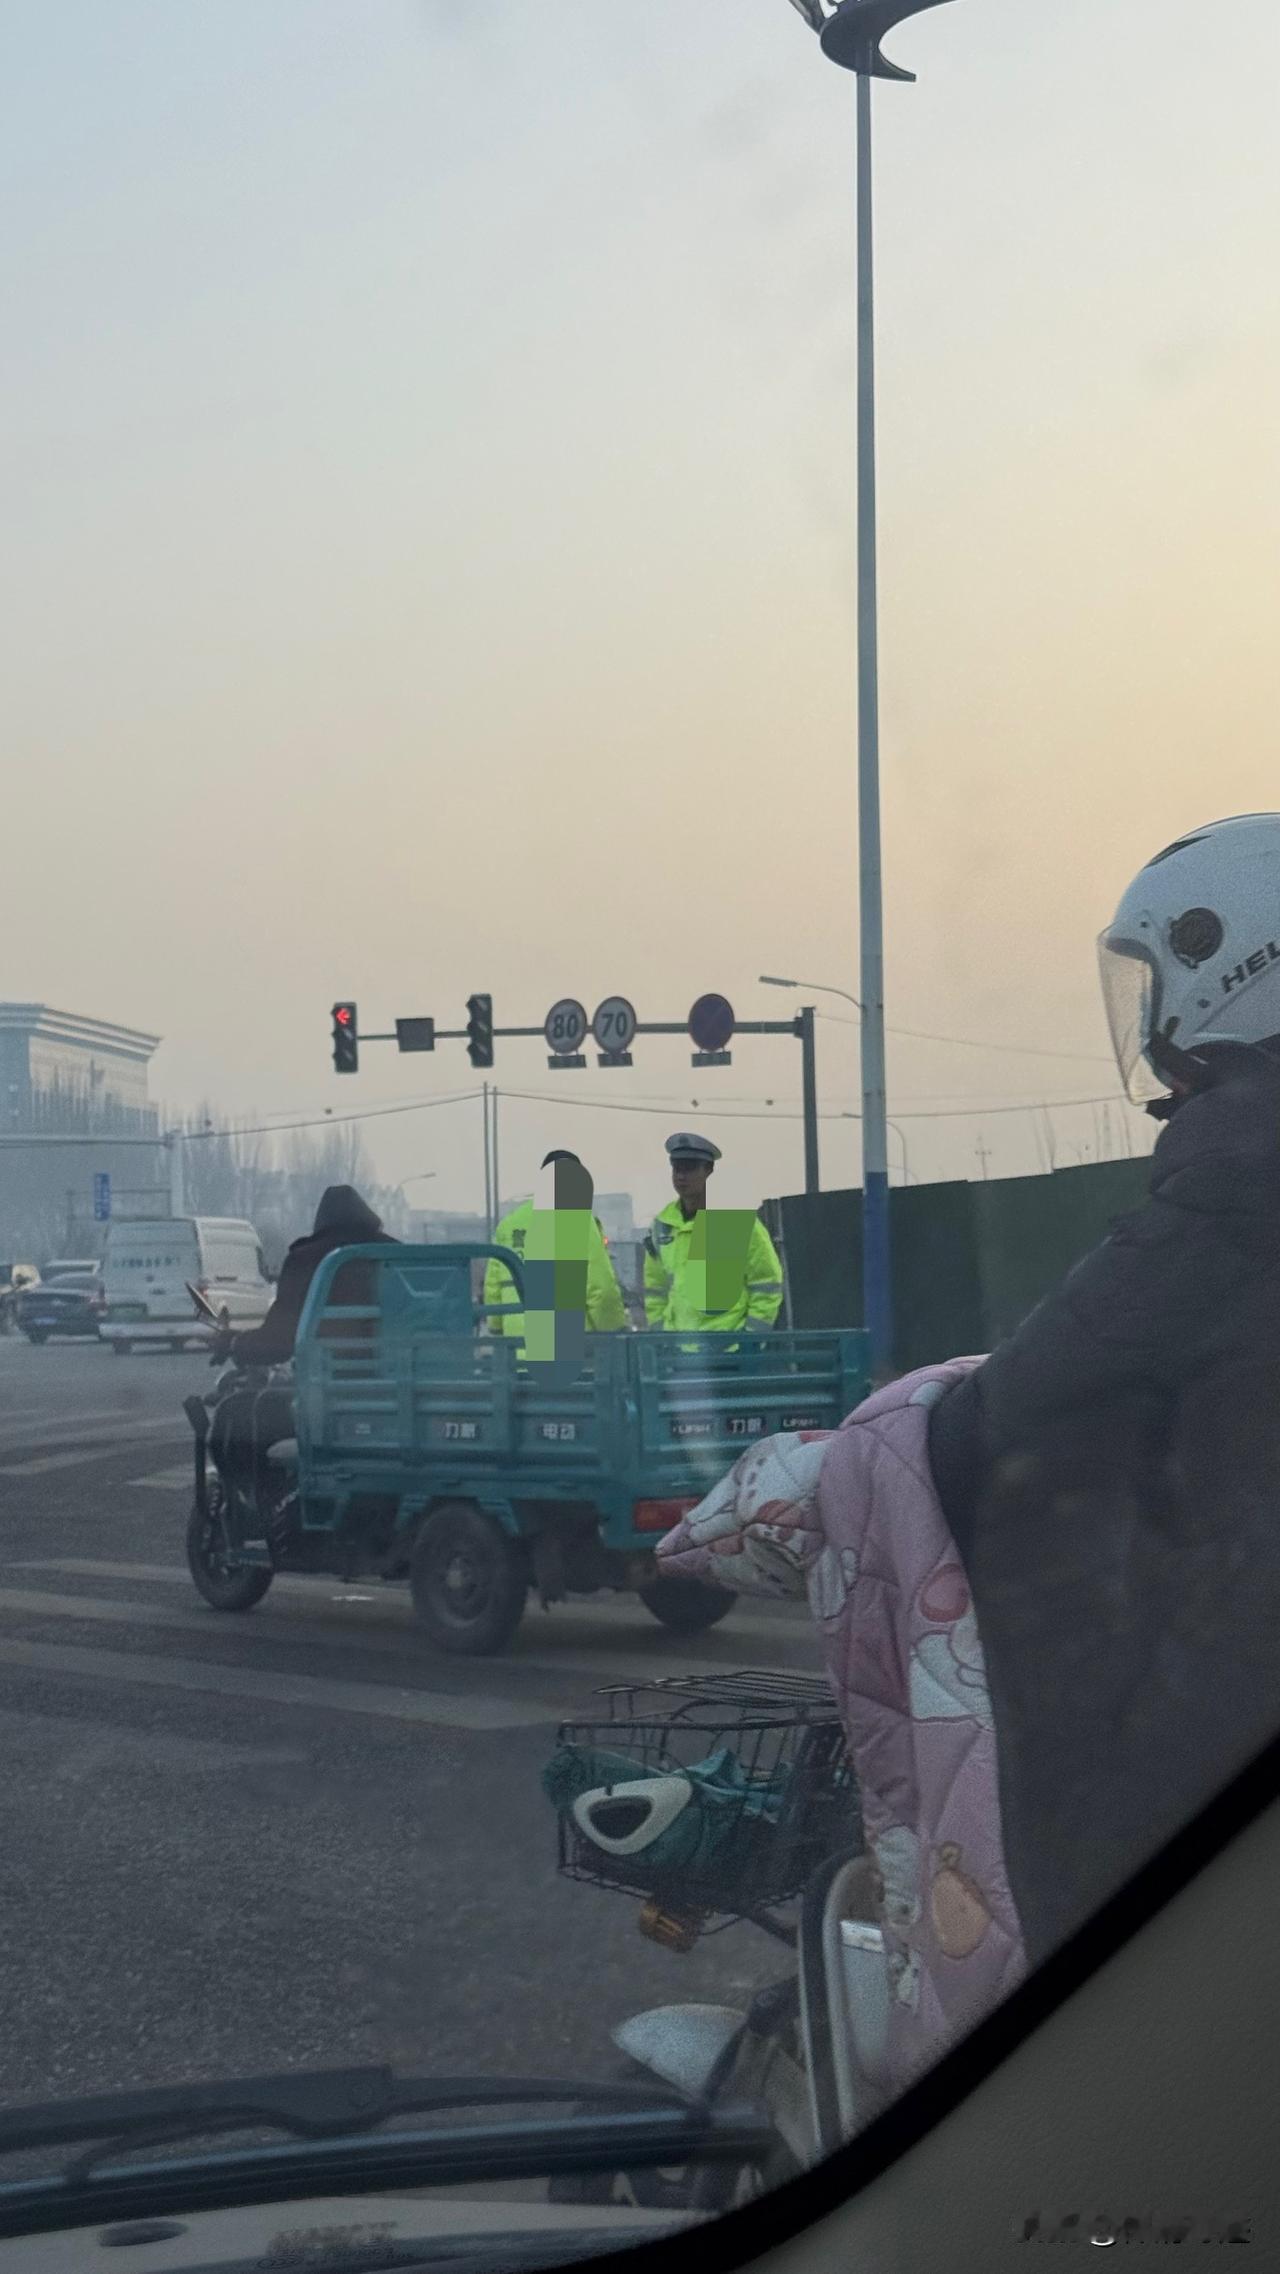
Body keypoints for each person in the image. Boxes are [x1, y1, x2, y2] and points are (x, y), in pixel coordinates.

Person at [658, 815, 1280, 2099]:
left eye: (1152, 980)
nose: (1149, 1026)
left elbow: (1014, 1419)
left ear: (1228, 971)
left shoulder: (1236, 1178)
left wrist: (842, 1472)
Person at [211, 1186, 395, 1510]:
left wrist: (237, 1344)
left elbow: (280, 1340)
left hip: (333, 1398)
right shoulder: (397, 1254)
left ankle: (267, 1508)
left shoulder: (309, 1259)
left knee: (240, 1414)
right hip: (400, 1393)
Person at [485, 1152, 628, 1349]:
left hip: (517, 1352)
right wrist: (615, 1332)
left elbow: (493, 1289)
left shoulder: (508, 1225)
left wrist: (497, 1330)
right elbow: (600, 1290)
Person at [643, 1132, 783, 1332]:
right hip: (677, 1352)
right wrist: (660, 1338)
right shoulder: (663, 1225)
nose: (681, 1176)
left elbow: (767, 1283)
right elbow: (655, 1290)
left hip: (729, 1351)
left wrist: (749, 1339)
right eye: (677, 1167)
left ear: (709, 1171)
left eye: (690, 1168)